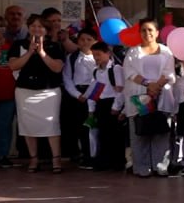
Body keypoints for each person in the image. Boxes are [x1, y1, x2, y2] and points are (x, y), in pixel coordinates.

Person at [9, 14, 65, 172]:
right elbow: (13, 66)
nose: (36, 29)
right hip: (24, 91)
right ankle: (34, 159)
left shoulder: (54, 46)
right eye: (33, 26)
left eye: (40, 26)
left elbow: (57, 68)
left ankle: (56, 159)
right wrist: (29, 52)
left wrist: (41, 52)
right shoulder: (19, 44)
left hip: (49, 91)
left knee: (51, 125)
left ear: (46, 30)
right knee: (28, 126)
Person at [122, 18, 175, 178]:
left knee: (161, 131)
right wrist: (148, 85)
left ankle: (160, 165)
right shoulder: (133, 52)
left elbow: (169, 73)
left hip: (161, 95)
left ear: (157, 32)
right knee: (140, 131)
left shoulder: (166, 51)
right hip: (139, 97)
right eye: (143, 30)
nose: (147, 33)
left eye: (150, 30)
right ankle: (142, 167)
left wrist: (156, 87)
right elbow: (130, 73)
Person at [86, 40, 126, 172]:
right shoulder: (96, 71)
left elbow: (120, 90)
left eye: (98, 54)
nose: (96, 58)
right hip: (101, 104)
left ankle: (117, 161)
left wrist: (116, 106)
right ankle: (104, 160)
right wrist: (91, 109)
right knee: (102, 133)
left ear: (108, 53)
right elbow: (95, 91)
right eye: (94, 55)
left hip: (112, 103)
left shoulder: (115, 69)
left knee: (115, 134)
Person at [61, 27, 97, 165]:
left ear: (95, 41)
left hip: (95, 94)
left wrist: (92, 94)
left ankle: (94, 155)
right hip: (78, 95)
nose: (85, 42)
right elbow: (67, 78)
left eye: (89, 39)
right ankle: (82, 154)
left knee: (93, 126)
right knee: (80, 126)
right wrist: (77, 95)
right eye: (82, 39)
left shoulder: (98, 57)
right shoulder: (72, 57)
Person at [0, 5, 26, 167]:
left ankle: (2, 155)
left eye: (0, 28)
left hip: (8, 93)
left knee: (4, 125)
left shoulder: (12, 46)